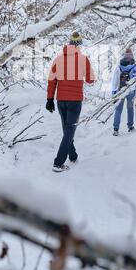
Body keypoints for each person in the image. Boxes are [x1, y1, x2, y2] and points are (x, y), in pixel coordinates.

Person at [46, 32, 96, 172]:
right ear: (79, 44)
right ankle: (58, 163)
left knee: (67, 129)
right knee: (69, 131)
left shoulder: (58, 59)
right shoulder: (83, 59)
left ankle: (72, 155)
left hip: (61, 101)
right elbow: (90, 79)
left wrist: (49, 99)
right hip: (74, 101)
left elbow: (51, 81)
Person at [111, 48, 136, 136]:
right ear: (132, 55)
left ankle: (116, 129)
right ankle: (130, 126)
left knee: (118, 109)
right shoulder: (134, 67)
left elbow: (115, 80)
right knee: (130, 109)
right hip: (131, 90)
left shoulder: (119, 66)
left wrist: (114, 93)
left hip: (120, 90)